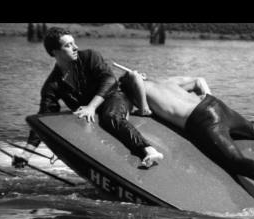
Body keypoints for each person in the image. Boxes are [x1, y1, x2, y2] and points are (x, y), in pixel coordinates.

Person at [118, 69, 254, 211]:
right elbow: (199, 81)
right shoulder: (167, 82)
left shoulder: (140, 90)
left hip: (202, 120)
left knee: (233, 161)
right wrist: (210, 101)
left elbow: (135, 79)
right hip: (214, 104)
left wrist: (143, 106)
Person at [12, 27, 163, 170]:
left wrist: (91, 106)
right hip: (91, 115)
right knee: (77, 123)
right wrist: (27, 154)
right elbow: (44, 117)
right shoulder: (52, 84)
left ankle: (149, 151)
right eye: (68, 45)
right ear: (55, 52)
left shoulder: (90, 56)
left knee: (110, 117)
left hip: (114, 98)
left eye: (74, 43)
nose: (75, 47)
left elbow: (110, 81)